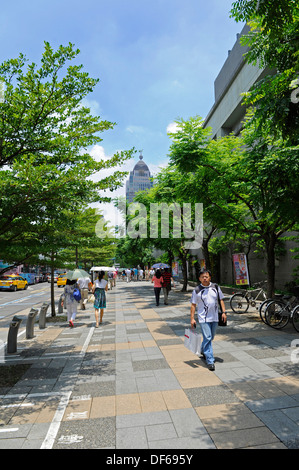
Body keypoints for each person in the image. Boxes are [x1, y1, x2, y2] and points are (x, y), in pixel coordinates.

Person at [190, 268, 227, 371]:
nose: (205, 278)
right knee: (208, 336)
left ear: (210, 277)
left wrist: (224, 312)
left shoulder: (215, 287)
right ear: (199, 279)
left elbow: (221, 300)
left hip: (215, 317)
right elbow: (193, 305)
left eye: (206, 276)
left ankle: (202, 349)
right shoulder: (197, 290)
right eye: (202, 277)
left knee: (211, 337)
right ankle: (210, 360)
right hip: (203, 317)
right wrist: (192, 318)